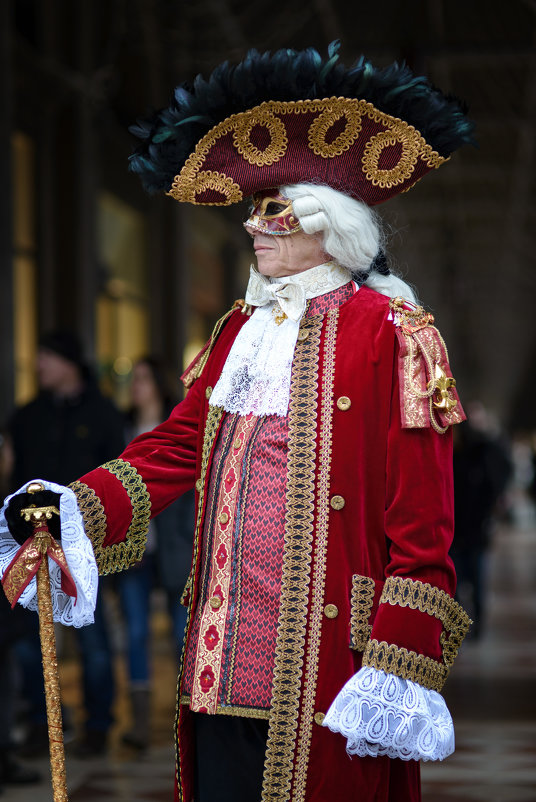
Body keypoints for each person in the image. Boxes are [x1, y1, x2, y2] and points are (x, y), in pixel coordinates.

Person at [2, 43, 475, 801]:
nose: (254, 228)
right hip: (218, 659)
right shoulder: (238, 331)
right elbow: (180, 444)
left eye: (275, 211)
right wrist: (76, 506)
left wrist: (398, 661)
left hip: (329, 658)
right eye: (251, 211)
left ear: (333, 224)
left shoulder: (393, 332)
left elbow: (422, 523)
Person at [5, 330, 125, 757]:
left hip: (83, 548)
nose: (39, 366)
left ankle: (97, 725)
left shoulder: (104, 414)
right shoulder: (26, 416)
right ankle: (42, 723)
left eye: (46, 358)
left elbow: (117, 480)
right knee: (26, 638)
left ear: (68, 363)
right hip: (28, 546)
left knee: (91, 639)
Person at [116, 356, 195, 749]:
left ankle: (189, 716)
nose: (137, 386)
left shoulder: (176, 424)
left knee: (183, 635)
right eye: (134, 379)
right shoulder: (123, 427)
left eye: (144, 378)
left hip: (175, 550)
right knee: (135, 633)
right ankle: (141, 723)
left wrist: (188, 536)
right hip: (134, 552)